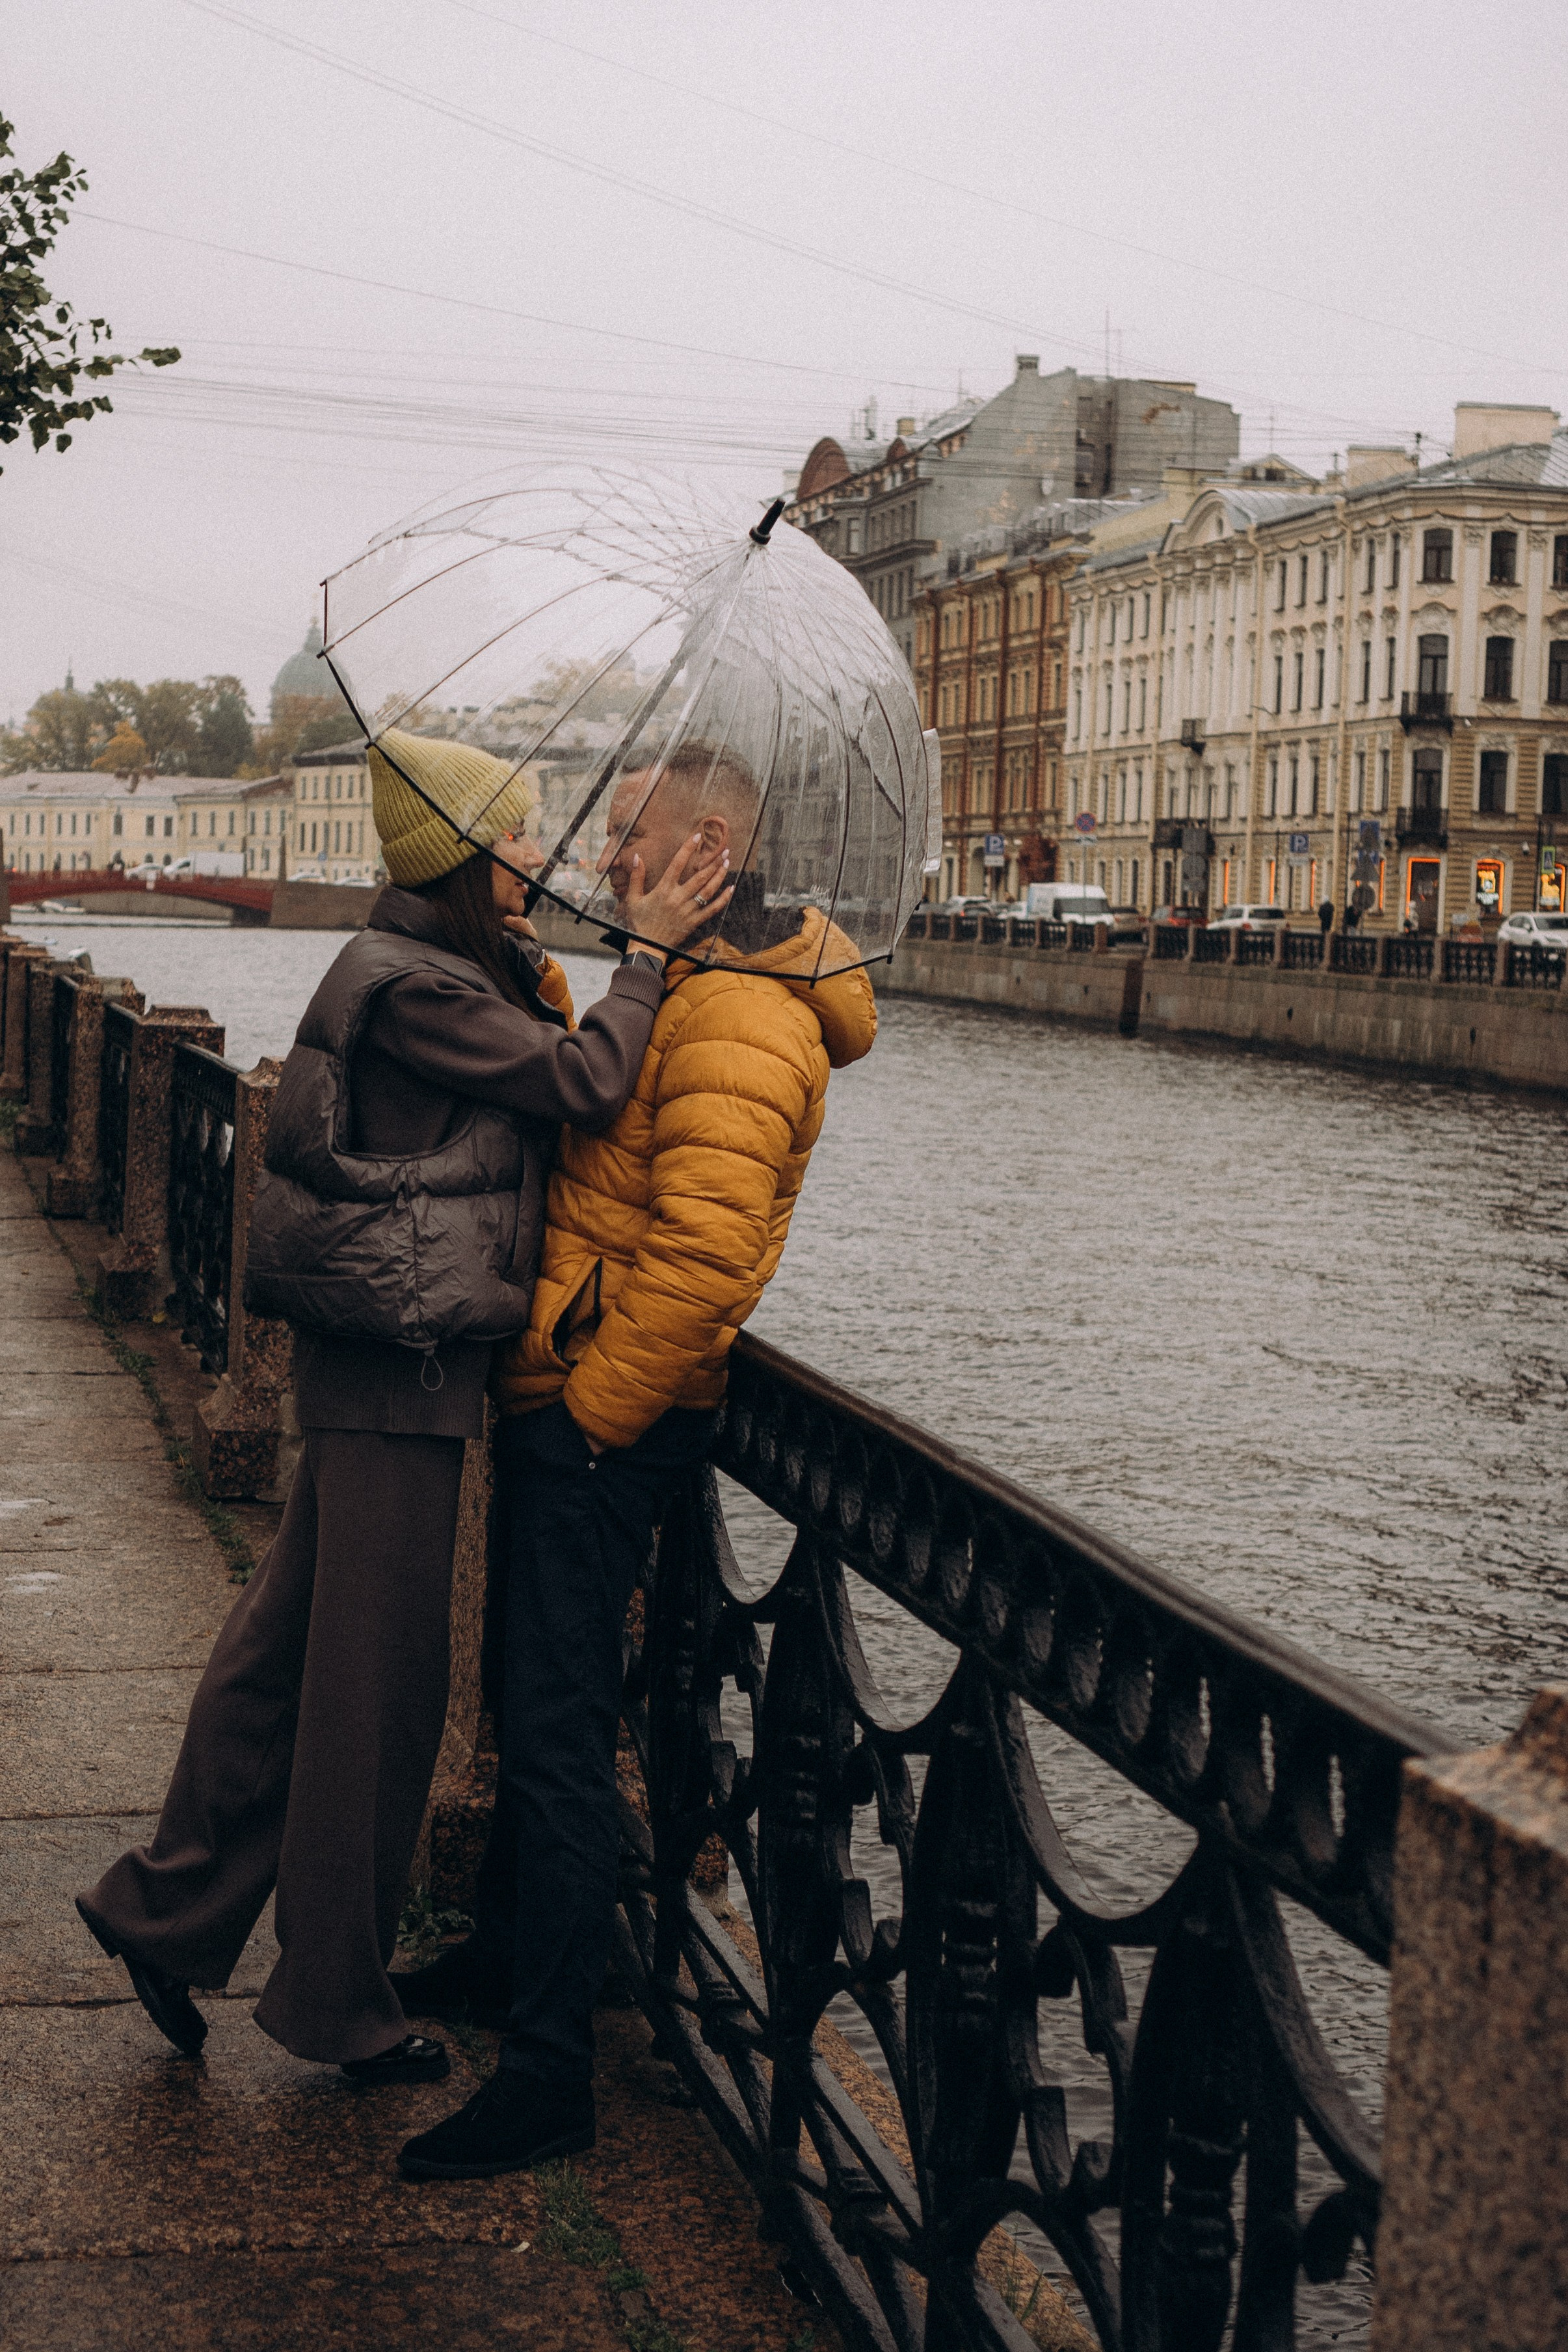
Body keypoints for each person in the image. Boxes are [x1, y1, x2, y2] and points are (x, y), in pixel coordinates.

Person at [76, 728, 728, 2083]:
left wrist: (558, 972)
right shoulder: (420, 985)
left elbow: (528, 1056)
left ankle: (166, 1906)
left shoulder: (418, 966)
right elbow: (584, 1081)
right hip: (405, 1367)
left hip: (374, 1363)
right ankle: (333, 1998)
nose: (539, 857)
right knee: (379, 1690)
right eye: (521, 837)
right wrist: (650, 962)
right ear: (463, 853)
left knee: (286, 1658)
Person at [392, 742, 879, 2178]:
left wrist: (591, 1413)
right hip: (580, 1395)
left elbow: (705, 1256)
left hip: (612, 1423)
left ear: (707, 848)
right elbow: (613, 1135)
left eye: (630, 836)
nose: (607, 857)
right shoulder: (693, 981)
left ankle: (549, 2073)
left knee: (556, 1739)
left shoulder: (748, 1010)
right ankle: (514, 1957)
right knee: (536, 1700)